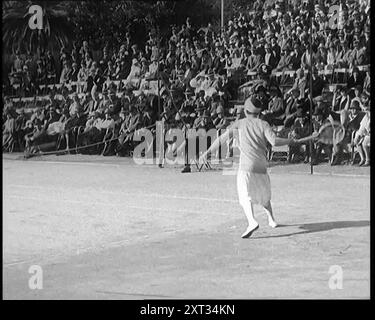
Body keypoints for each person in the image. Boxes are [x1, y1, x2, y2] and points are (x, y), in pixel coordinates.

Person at [200, 96, 295, 238]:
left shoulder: (240, 123)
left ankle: (251, 221)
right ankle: (272, 220)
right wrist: (291, 140)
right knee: (264, 195)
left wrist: (207, 153)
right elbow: (274, 142)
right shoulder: (263, 124)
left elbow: (222, 139)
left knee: (244, 197)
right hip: (262, 165)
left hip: (247, 166)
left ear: (245, 110)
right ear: (259, 112)